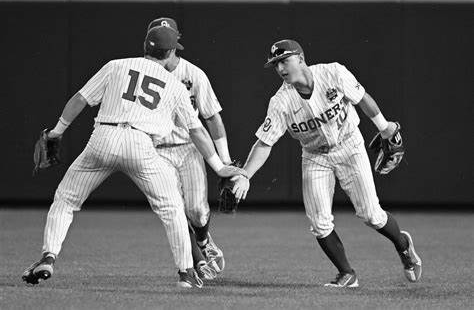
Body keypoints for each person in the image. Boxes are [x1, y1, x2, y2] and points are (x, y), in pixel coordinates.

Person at [21, 26, 246, 289]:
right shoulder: (174, 84)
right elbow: (196, 129)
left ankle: (48, 257)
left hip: (102, 137)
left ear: (145, 46)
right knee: (172, 207)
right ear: (171, 51)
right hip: (142, 145)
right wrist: (220, 167)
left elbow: (80, 99)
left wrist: (56, 132)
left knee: (66, 199)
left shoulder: (116, 65)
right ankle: (186, 273)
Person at [232, 39, 422, 288]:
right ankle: (347, 274)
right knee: (319, 223)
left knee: (371, 215)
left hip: (350, 146)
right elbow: (264, 143)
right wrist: (246, 174)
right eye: (275, 64)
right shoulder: (281, 102)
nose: (280, 69)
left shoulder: (333, 72)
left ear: (300, 58)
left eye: (284, 61)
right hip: (314, 156)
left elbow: (362, 98)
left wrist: (385, 128)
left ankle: (403, 244)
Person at [146, 17, 230, 277]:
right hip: (156, 150)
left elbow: (212, 116)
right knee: (173, 208)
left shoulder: (193, 74)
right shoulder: (141, 72)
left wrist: (224, 160)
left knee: (196, 209)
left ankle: (204, 240)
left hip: (189, 147)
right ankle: (195, 260)